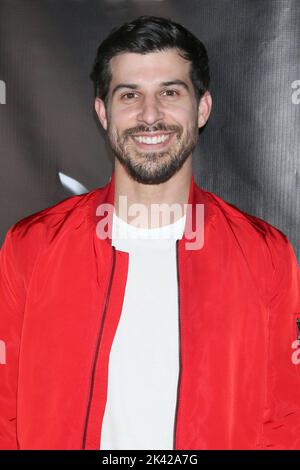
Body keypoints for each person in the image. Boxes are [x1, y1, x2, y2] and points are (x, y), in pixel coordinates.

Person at [0, 15, 299, 451]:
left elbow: (286, 421)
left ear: (202, 108)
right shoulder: (32, 246)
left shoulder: (266, 254)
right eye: (129, 95)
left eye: (170, 92)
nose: (150, 115)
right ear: (103, 112)